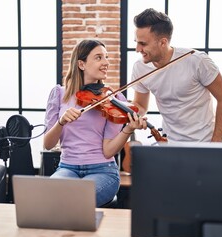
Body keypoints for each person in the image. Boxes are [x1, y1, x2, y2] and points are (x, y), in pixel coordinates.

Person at [43, 39, 146, 207]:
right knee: (51, 197)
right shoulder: (59, 94)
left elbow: (108, 151)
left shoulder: (112, 99)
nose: (106, 62)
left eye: (106, 57)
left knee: (77, 201)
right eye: (98, 57)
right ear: (81, 64)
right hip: (67, 168)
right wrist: (61, 122)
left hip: (103, 170)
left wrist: (128, 129)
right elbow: (48, 144)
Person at [131, 8, 222, 142]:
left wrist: (217, 140)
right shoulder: (140, 67)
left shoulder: (197, 61)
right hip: (169, 143)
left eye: (143, 44)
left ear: (163, 42)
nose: (137, 49)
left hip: (204, 142)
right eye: (136, 42)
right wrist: (123, 109)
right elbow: (141, 105)